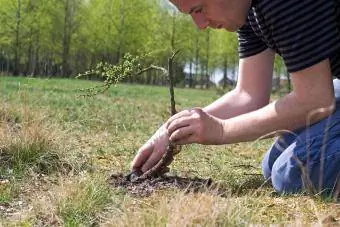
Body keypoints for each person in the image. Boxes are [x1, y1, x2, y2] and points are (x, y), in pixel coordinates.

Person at [131, 0, 340, 195]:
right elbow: (249, 95)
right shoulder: (248, 11)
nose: (200, 24)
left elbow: (315, 100)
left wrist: (222, 130)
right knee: (274, 165)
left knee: (293, 174)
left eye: (199, 9)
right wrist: (170, 131)